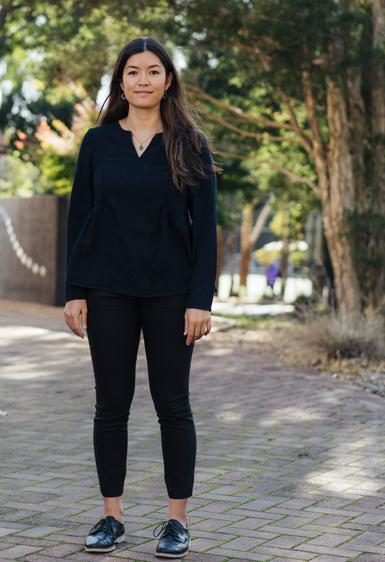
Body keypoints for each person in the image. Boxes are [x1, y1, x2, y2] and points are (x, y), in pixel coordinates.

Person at [61, 36, 219, 559]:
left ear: (168, 79)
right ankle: (112, 516)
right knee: (112, 404)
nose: (143, 80)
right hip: (107, 291)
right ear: (121, 81)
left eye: (153, 71)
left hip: (172, 295)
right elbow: (80, 219)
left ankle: (176, 521)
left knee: (173, 405)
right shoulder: (97, 143)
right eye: (133, 72)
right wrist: (74, 290)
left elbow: (206, 231)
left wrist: (201, 300)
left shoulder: (190, 143)